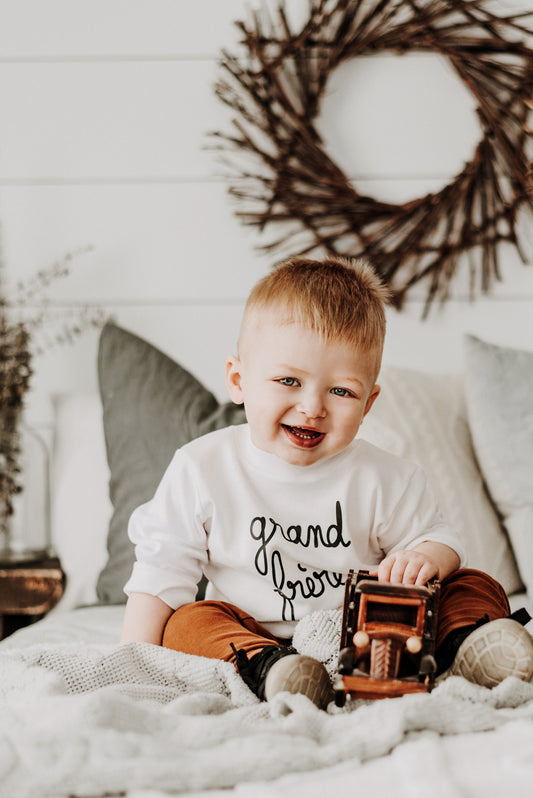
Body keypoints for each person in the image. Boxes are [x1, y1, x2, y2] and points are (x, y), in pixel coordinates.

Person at [121, 255, 533, 709]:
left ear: (368, 403)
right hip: (251, 632)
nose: (313, 407)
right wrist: (130, 667)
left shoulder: (386, 476)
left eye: (341, 391)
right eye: (288, 381)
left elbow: (440, 538)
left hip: (369, 638)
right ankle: (275, 670)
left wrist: (425, 557)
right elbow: (161, 572)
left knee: (475, 583)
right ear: (239, 381)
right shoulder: (203, 467)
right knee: (186, 621)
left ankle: (472, 647)